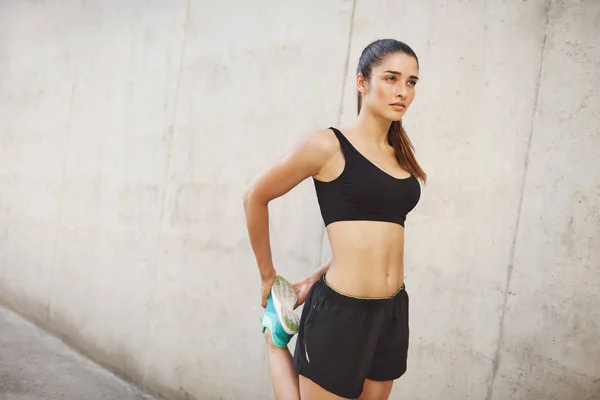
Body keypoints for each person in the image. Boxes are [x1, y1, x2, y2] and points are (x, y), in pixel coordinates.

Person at [243, 38, 427, 400]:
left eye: (411, 82)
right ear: (363, 83)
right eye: (391, 78)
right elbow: (255, 196)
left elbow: (369, 236)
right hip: (341, 311)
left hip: (391, 310)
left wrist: (315, 275)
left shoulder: (400, 155)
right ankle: (273, 338)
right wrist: (268, 275)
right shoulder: (328, 145)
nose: (402, 91)